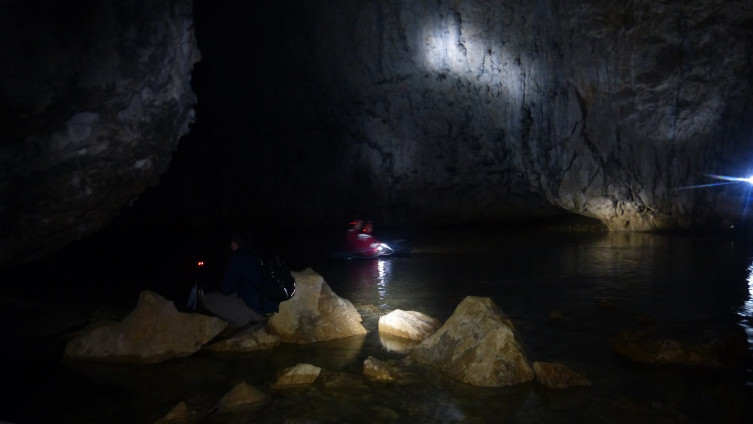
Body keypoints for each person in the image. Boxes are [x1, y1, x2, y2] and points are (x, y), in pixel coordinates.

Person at [202, 230, 279, 328]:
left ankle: (243, 322)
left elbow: (225, 289)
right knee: (242, 295)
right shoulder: (258, 256)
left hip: (257, 312)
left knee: (208, 299)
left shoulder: (238, 258)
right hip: (270, 309)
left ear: (234, 243)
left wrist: (216, 287)